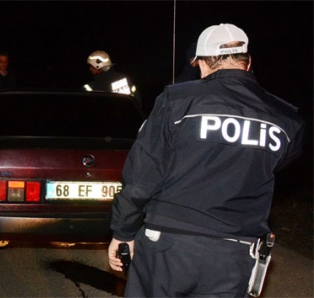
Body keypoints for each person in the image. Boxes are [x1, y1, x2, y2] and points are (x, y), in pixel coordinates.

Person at [108, 23, 304, 297]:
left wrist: (123, 231)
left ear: (202, 63)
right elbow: (275, 165)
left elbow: (143, 175)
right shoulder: (286, 117)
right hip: (235, 253)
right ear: (247, 63)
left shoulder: (177, 101)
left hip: (168, 245)